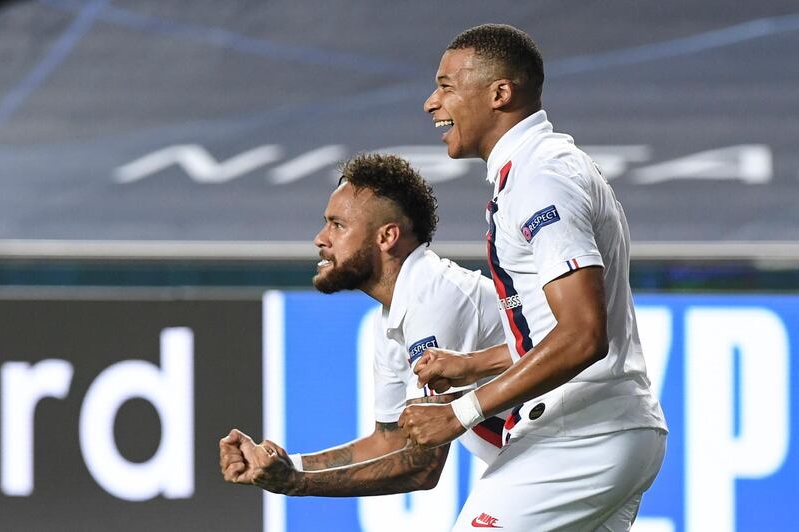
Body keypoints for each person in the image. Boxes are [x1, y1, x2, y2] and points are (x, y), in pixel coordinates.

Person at [398, 24, 668, 530]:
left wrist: (463, 412)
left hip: (581, 432)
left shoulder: (540, 177)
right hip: (608, 429)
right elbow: (565, 326)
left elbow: (584, 335)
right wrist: (477, 363)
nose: (431, 103)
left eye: (447, 86)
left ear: (500, 93)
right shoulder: (540, 169)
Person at [219, 153, 507, 500]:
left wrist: (297, 484)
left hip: (568, 444)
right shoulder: (390, 317)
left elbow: (422, 466)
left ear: (386, 237)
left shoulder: (432, 295)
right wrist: (288, 465)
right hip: (542, 454)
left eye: (337, 225)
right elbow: (390, 441)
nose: (320, 239)